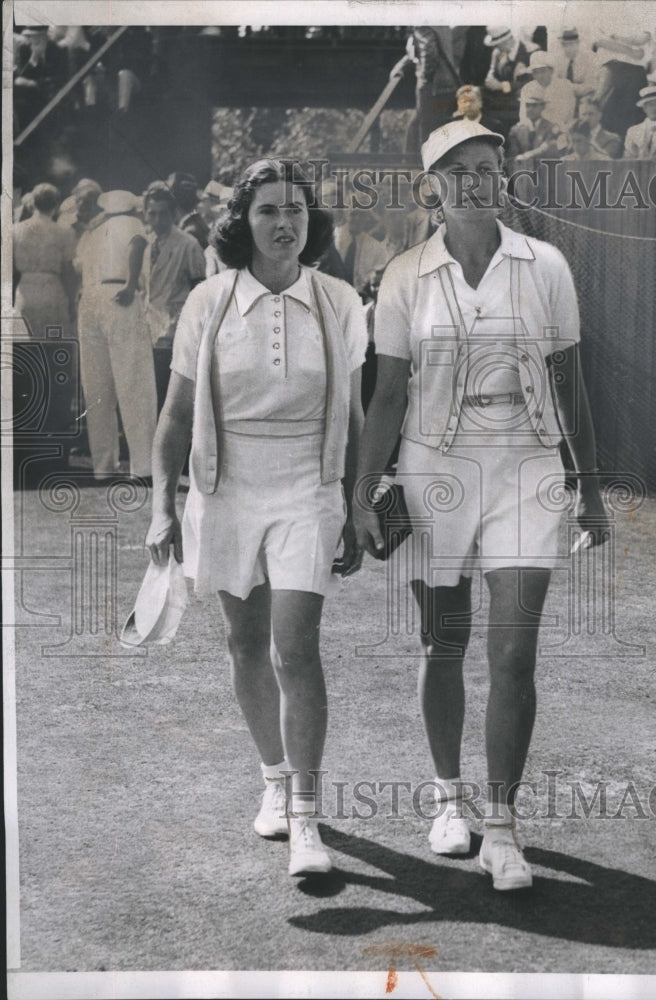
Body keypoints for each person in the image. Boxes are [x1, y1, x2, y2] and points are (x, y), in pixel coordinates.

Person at [354, 120, 608, 891]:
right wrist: (364, 491)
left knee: (514, 654)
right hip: (437, 472)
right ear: (431, 183)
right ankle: (446, 799)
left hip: (529, 468)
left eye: (487, 168)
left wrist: (590, 488)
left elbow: (571, 384)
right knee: (445, 644)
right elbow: (388, 394)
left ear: (504, 177)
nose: (474, 180)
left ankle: (502, 827)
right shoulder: (404, 274)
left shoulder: (546, 265)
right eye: (457, 170)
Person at [145, 159, 367, 877]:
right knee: (245, 647)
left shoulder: (339, 300)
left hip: (309, 486)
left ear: (312, 221)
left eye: (296, 211)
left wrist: (358, 501)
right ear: (243, 222)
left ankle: (307, 819)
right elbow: (175, 417)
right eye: (269, 210)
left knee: (295, 646)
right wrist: (162, 506)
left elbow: (356, 417)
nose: (284, 224)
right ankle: (273, 781)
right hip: (227, 487)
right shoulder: (208, 301)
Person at [74, 189, 157, 481]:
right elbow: (136, 247)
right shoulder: (132, 225)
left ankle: (104, 466)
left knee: (97, 387)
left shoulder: (94, 232)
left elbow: (78, 267)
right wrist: (132, 283)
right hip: (119, 294)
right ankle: (144, 466)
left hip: (90, 298)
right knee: (134, 382)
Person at [142, 183, 206, 411]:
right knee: (149, 396)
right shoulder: (145, 243)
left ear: (173, 213)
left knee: (170, 398)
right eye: (152, 213)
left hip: (175, 328)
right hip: (148, 327)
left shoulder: (188, 244)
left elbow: (200, 288)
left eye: (163, 213)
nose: (157, 219)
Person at [13, 183, 77, 339]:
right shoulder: (64, 232)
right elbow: (68, 269)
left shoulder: (14, 230)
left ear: (33, 203)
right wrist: (72, 302)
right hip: (52, 289)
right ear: (55, 205)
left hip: (25, 289)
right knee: (52, 340)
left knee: (26, 341)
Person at [519, 51, 577, 131]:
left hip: (557, 129)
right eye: (535, 72)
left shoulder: (565, 86)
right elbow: (523, 115)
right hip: (534, 130)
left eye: (543, 71)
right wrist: (530, 129)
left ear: (551, 71)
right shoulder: (527, 88)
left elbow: (566, 115)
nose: (539, 76)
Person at [506, 85, 561, 163]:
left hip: (546, 171)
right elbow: (513, 157)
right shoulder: (516, 130)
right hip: (524, 172)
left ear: (543, 107)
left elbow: (547, 149)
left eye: (534, 105)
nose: (530, 109)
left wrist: (527, 155)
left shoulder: (551, 128)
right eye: (527, 105)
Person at [553, 28, 599, 108]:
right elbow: (554, 83)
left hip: (583, 97)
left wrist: (566, 87)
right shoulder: (557, 59)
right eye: (565, 45)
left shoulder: (589, 59)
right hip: (562, 97)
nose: (568, 48)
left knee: (587, 102)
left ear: (578, 44)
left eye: (572, 44)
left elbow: (590, 85)